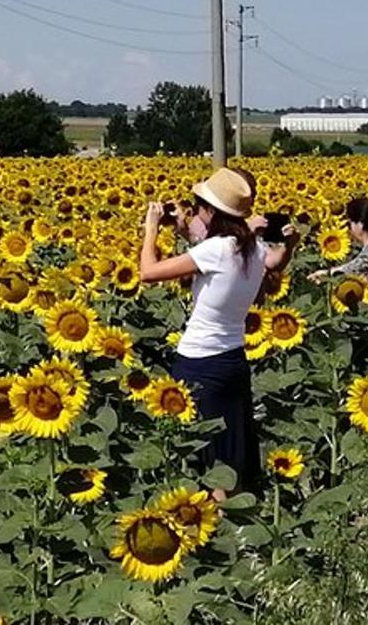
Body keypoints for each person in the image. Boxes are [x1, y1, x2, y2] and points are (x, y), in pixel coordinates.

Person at [140, 168, 296, 495]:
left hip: (199, 361)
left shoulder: (216, 250)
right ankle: (240, 529)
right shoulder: (254, 250)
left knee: (205, 459)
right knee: (230, 452)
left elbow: (148, 272)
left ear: (212, 211)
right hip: (233, 361)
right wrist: (290, 245)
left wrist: (152, 228)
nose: (196, 213)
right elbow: (276, 262)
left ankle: (219, 531)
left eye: (199, 208)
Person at [308, 198, 368, 312]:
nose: (349, 228)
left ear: (360, 224)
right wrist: (327, 274)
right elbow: (359, 266)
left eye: (350, 222)